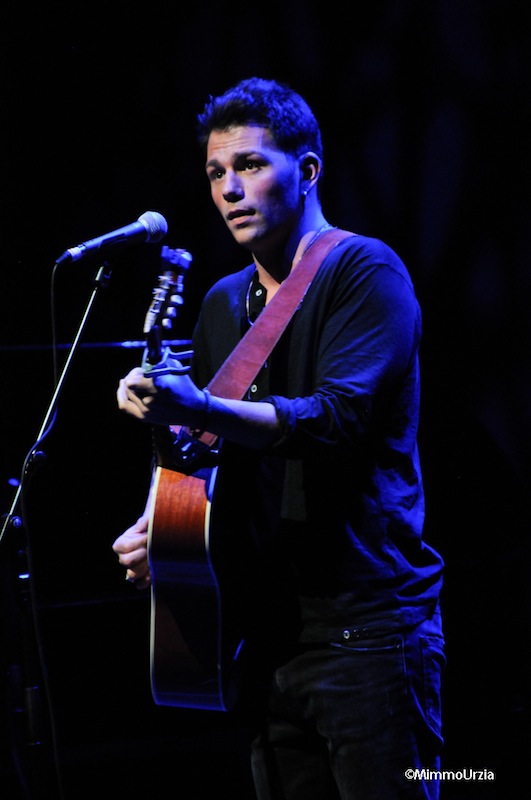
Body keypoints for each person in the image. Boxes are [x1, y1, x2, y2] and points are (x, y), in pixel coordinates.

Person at [112, 76, 445, 800]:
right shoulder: (222, 302)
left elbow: (334, 422)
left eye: (251, 165)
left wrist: (197, 404)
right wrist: (163, 525)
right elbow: (208, 452)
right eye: (215, 173)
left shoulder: (364, 270)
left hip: (368, 636)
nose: (229, 189)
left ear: (308, 170)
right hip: (265, 640)